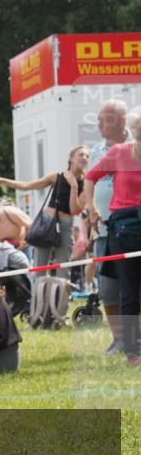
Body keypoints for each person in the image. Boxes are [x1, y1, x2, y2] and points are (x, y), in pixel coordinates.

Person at [83, 113, 141, 366]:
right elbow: (89, 177)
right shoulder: (120, 152)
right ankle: (133, 351)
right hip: (125, 229)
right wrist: (92, 209)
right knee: (129, 290)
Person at [0, 145, 88, 279]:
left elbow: (75, 210)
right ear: (71, 159)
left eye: (87, 156)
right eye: (81, 154)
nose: (84, 158)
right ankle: (38, 300)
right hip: (47, 223)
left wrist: (74, 188)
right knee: (40, 269)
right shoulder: (57, 176)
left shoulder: (86, 183)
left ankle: (61, 300)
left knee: (64, 269)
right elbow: (26, 186)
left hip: (65, 225)